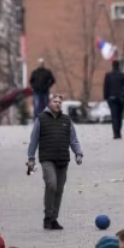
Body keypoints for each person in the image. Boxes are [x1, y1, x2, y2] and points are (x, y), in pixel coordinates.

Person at [27, 93, 84, 230]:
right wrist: (31, 158)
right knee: (51, 185)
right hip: (47, 159)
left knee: (59, 190)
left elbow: (73, 140)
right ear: (49, 104)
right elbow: (33, 140)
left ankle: (53, 219)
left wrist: (78, 153)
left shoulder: (66, 120)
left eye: (59, 102)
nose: (57, 104)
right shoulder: (40, 119)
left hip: (63, 159)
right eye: (55, 101)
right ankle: (47, 216)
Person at [103, 60, 124, 140]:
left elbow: (105, 87)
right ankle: (118, 131)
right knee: (119, 115)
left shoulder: (108, 75)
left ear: (112, 66)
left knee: (114, 116)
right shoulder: (123, 75)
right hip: (120, 98)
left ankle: (115, 133)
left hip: (111, 98)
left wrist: (106, 97)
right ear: (119, 66)